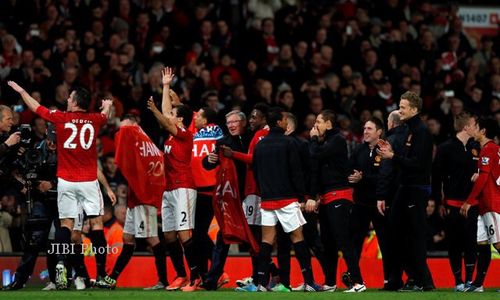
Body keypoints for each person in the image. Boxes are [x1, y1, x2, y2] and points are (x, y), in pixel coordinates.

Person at [8, 81, 114, 290]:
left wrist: (21, 91)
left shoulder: (61, 118)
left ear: (75, 103)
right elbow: (105, 115)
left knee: (65, 225)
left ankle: (60, 267)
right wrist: (107, 105)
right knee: (96, 224)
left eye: (70, 97)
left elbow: (35, 107)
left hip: (66, 181)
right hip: (88, 180)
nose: (67, 99)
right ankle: (101, 274)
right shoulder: (95, 120)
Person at [251, 106, 321, 292]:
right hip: (287, 199)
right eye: (283, 120)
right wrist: (301, 196)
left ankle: (260, 284)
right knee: (298, 238)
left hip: (267, 200)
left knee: (266, 241)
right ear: (278, 122)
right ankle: (308, 281)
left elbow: (256, 173)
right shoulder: (288, 143)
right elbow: (296, 172)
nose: (285, 122)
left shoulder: (260, 145)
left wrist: (265, 191)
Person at [99, 114, 168, 290]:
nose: (123, 132)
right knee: (127, 238)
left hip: (143, 198)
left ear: (135, 126)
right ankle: (112, 279)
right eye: (121, 129)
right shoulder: (144, 143)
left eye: (126, 128)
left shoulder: (141, 142)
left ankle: (163, 280)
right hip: (134, 198)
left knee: (152, 239)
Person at [147, 67, 201, 292]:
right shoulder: (173, 132)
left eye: (172, 114)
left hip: (184, 188)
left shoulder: (186, 135)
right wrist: (166, 85)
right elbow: (168, 114)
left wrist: (153, 110)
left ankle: (196, 277)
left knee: (183, 233)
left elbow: (166, 119)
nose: (168, 114)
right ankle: (180, 275)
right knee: (169, 234)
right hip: (169, 189)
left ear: (180, 120)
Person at [377, 91, 434, 291]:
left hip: (416, 188)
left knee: (414, 235)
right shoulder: (410, 129)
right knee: (397, 231)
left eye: (402, 107)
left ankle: (421, 281)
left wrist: (393, 156)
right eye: (399, 107)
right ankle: (417, 279)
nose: (399, 110)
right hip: (406, 187)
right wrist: (392, 154)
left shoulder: (421, 132)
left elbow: (418, 164)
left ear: (414, 109)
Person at [309, 109, 366, 292]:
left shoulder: (337, 140)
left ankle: (358, 282)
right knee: (328, 243)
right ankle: (330, 282)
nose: (315, 125)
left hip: (339, 194)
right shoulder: (324, 141)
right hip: (326, 197)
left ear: (329, 124)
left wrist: (313, 139)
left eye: (319, 121)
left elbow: (315, 154)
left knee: (342, 239)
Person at [222, 103, 275, 289]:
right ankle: (267, 274)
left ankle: (259, 278)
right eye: (251, 117)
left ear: (264, 119)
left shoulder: (262, 135)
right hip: (255, 191)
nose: (251, 121)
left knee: (254, 237)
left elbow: (255, 159)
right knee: (255, 237)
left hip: (255, 192)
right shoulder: (261, 134)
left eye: (254, 117)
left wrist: (233, 154)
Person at [199, 109, 250, 290]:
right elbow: (207, 164)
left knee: (254, 238)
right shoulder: (222, 143)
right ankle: (211, 280)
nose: (231, 125)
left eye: (234, 122)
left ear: (243, 123)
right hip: (231, 198)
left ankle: (265, 275)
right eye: (228, 123)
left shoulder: (252, 139)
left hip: (252, 196)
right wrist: (209, 159)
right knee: (224, 238)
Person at [431, 111, 480, 291]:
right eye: (475, 125)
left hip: (472, 204)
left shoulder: (477, 147)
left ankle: (469, 281)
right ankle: (458, 281)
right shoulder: (446, 148)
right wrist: (437, 202)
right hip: (452, 204)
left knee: (471, 243)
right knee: (454, 244)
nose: (477, 128)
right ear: (466, 127)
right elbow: (436, 177)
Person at [348, 117, 390, 287]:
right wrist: (352, 176)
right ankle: (355, 280)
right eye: (364, 128)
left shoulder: (386, 149)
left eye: (369, 129)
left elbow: (385, 176)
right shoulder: (359, 150)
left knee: (386, 242)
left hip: (380, 203)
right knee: (354, 242)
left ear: (379, 131)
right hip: (361, 202)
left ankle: (390, 280)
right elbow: (350, 169)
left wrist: (362, 178)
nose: (365, 131)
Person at [460, 117, 500, 292]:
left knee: (498, 244)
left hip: (492, 203)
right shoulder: (491, 149)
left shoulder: (489, 149)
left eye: (475, 126)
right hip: (485, 204)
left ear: (483, 131)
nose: (472, 129)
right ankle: (478, 284)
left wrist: (468, 202)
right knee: (482, 244)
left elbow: (484, 178)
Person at [190, 107, 225, 283]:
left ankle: (216, 271)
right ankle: (206, 274)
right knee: (198, 234)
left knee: (198, 233)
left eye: (198, 116)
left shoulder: (213, 131)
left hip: (209, 189)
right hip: (203, 189)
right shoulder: (204, 131)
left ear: (205, 121)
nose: (194, 119)